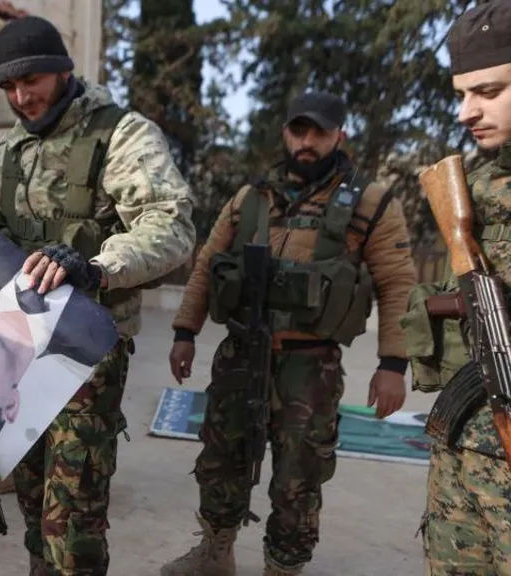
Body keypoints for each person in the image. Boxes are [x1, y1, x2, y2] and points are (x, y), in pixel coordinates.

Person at [160, 91, 417, 576]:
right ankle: (215, 555)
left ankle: (283, 568)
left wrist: (393, 365)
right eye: (299, 130)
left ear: (340, 135)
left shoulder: (369, 200)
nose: (307, 141)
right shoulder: (250, 198)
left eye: (319, 132)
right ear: (285, 132)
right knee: (221, 458)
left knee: (299, 476)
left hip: (311, 365)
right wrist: (184, 331)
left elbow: (398, 282)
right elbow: (205, 268)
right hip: (240, 352)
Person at [0, 15, 197, 575]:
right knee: (28, 492)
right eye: (8, 86)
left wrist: (95, 266)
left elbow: (171, 226)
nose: (21, 97)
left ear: (64, 71)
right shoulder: (13, 147)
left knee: (72, 513)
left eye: (31, 81)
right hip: (17, 345)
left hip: (85, 350)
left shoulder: (121, 134)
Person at [406, 2, 511, 573]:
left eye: (488, 92)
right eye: (461, 93)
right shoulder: (472, 188)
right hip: (460, 454)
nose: (467, 111)